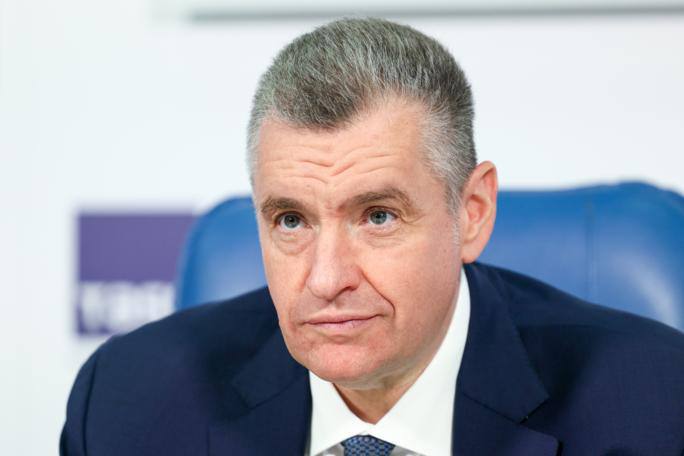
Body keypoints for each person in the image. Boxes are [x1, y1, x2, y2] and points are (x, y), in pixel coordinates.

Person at [61, 18, 684, 456]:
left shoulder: (656, 405)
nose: (326, 279)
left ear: (471, 213)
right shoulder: (127, 403)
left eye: (378, 216)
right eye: (291, 220)